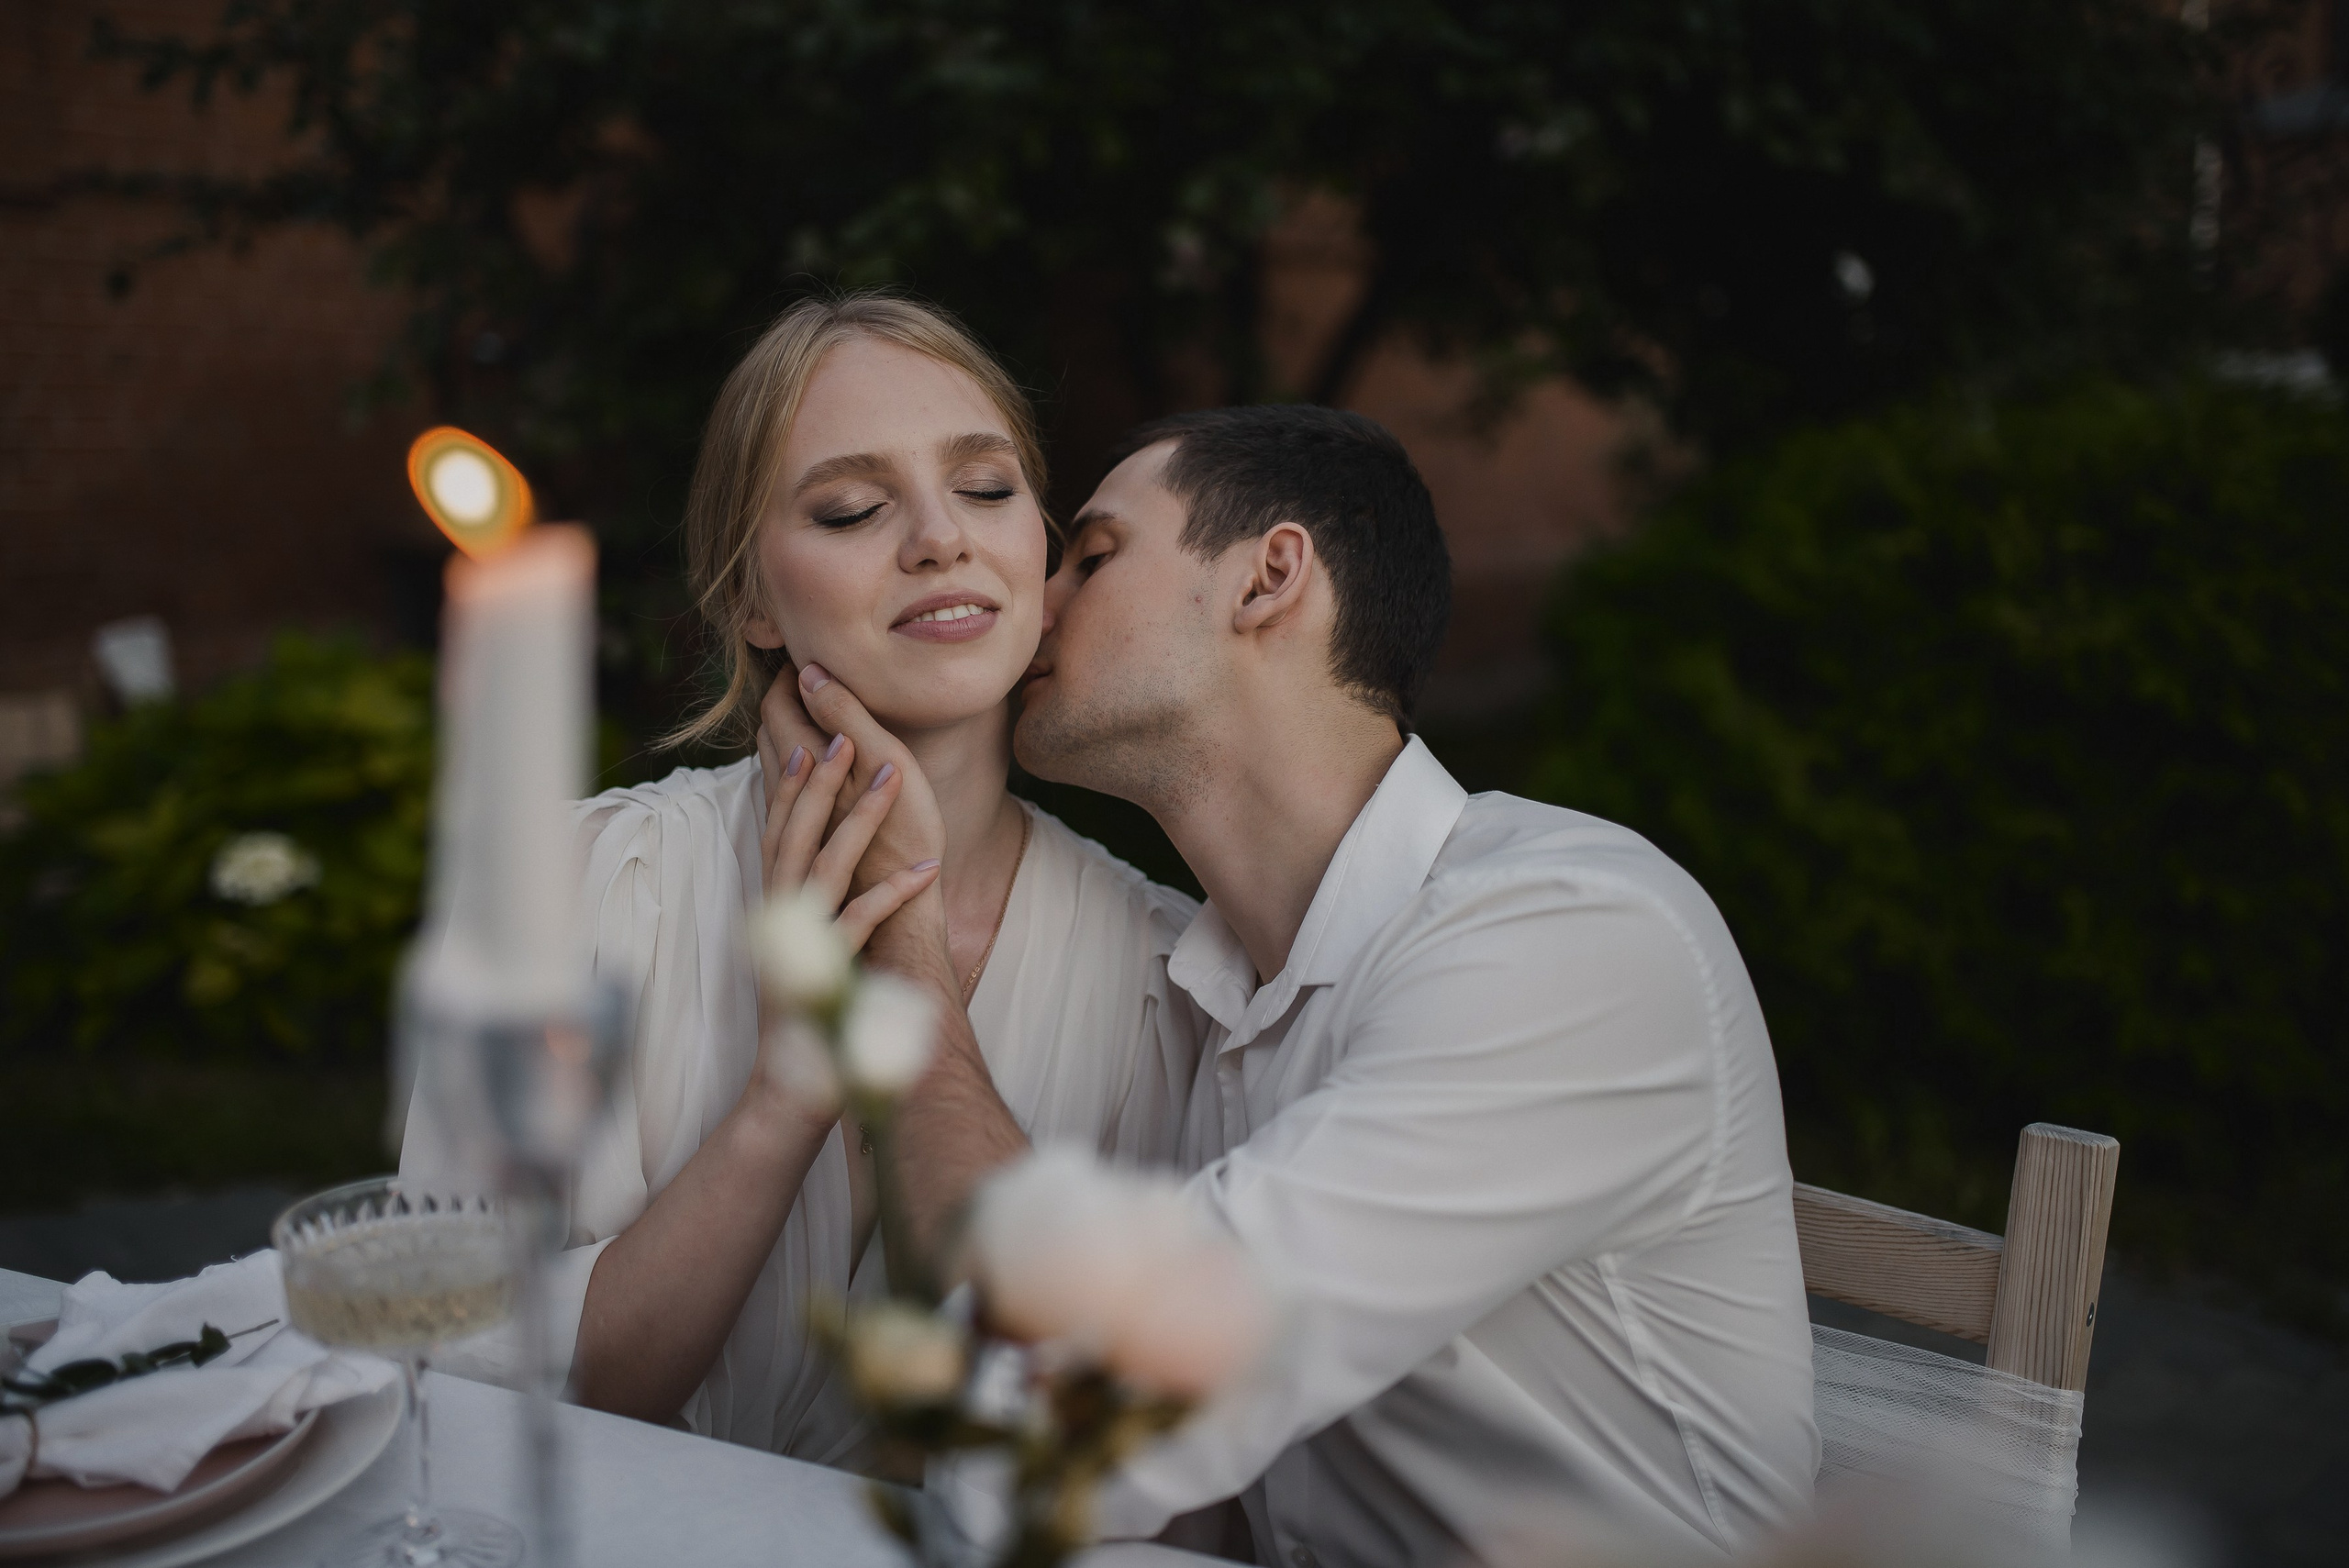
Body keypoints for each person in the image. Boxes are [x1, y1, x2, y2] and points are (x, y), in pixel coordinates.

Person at [768, 405, 1820, 1565]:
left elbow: (1062, 1422)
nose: (1035, 592)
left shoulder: (1571, 942)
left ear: (1269, 578)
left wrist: (904, 938)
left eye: (1096, 554)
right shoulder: (1211, 995)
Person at [399, 294, 1205, 1466]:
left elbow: (1119, 1446)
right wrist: (784, 1093)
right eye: (851, 507)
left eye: (985, 487)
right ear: (750, 603)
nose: (941, 536)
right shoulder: (581, 887)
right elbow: (470, 1396)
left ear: (1041, 543)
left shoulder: (1162, 978)